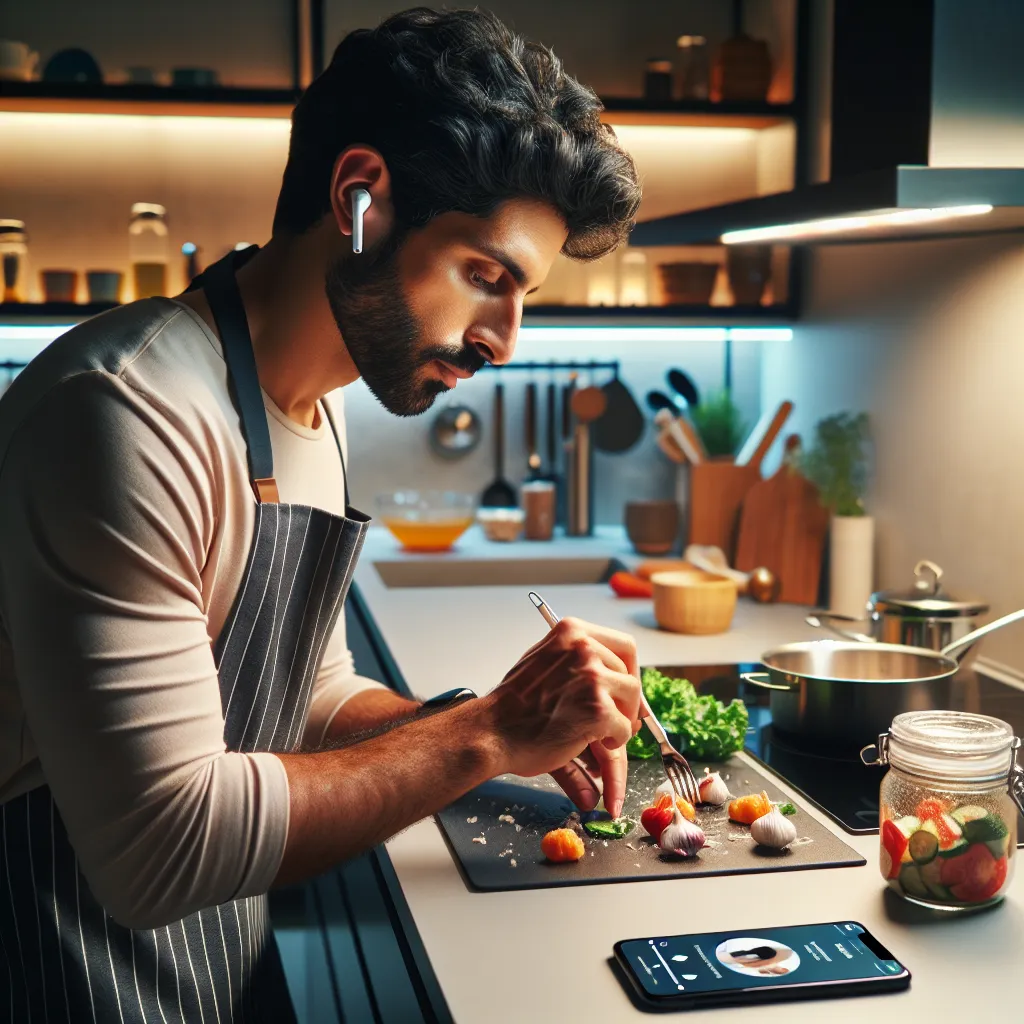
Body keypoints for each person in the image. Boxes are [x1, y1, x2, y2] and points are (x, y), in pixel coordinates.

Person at [0, 7, 642, 1022]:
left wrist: (507, 725)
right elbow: (157, 852)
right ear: (360, 199)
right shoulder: (127, 415)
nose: (505, 341)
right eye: (486, 276)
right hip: (67, 971)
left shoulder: (310, 402)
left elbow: (307, 689)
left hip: (210, 964)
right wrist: (481, 737)